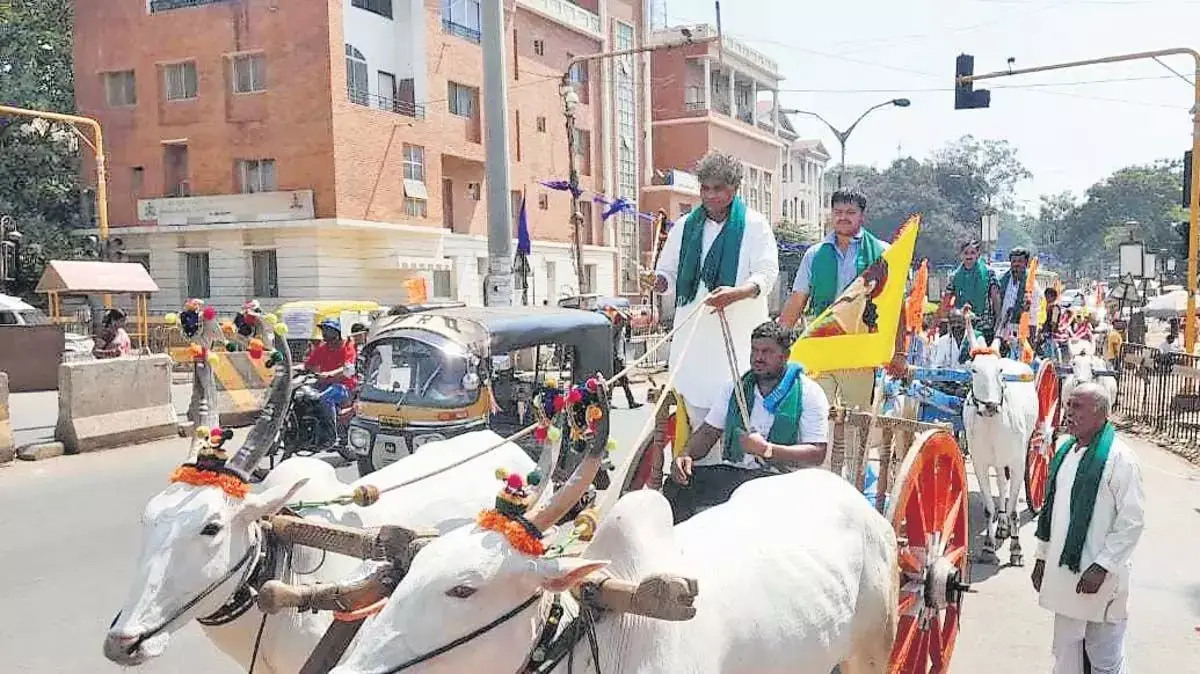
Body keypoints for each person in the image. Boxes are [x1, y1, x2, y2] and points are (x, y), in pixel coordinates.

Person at [647, 150, 779, 434]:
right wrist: (656, 282)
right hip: (693, 345)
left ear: (734, 188)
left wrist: (737, 293)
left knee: (740, 415)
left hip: (738, 340)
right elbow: (667, 274)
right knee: (693, 422)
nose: (710, 196)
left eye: (718, 189)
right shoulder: (684, 227)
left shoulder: (755, 226)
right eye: (705, 188)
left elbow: (766, 273)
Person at [662, 322, 829, 523]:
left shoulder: (809, 393)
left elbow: (817, 454)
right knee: (677, 485)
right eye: (755, 350)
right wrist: (685, 454)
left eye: (767, 352)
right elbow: (707, 433)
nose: (758, 357)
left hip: (782, 480)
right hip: (740, 475)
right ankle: (679, 550)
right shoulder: (734, 388)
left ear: (785, 356)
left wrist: (767, 450)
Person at [1032, 382, 1144, 674]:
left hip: (1102, 580)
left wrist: (1102, 566)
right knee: (1066, 652)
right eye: (1068, 405)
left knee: (1104, 658)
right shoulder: (1066, 453)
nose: (1068, 412)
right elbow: (1051, 514)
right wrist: (1042, 558)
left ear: (1099, 414)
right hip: (1065, 578)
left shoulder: (1120, 459)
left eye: (1077, 406)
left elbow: (1132, 521)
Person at [779, 190, 905, 409]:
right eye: (838, 212)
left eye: (850, 212)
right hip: (821, 346)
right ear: (831, 214)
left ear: (862, 216)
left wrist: (900, 352)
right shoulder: (815, 254)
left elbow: (897, 308)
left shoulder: (882, 254)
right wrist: (777, 342)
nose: (843, 217)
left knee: (856, 421)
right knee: (816, 414)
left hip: (859, 351)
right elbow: (797, 301)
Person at [303, 319, 358, 445]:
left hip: (344, 386)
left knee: (325, 398)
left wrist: (330, 374)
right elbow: (308, 365)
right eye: (324, 330)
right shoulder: (322, 348)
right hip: (323, 384)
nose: (324, 333)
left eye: (328, 330)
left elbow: (348, 368)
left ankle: (331, 435)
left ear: (337, 332)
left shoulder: (347, 346)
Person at [992, 247, 1042, 357]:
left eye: (1020, 261)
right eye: (1014, 261)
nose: (1016, 264)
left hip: (1022, 330)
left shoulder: (1032, 286)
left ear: (1026, 263)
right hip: (1003, 329)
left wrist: (1030, 339)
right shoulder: (1002, 280)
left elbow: (1033, 316)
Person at [945, 240, 997, 341]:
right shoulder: (954, 277)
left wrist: (998, 322)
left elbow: (996, 299)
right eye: (966, 253)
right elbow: (946, 302)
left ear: (978, 254)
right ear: (961, 255)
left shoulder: (988, 273)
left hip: (984, 326)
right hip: (961, 327)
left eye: (972, 253)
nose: (969, 256)